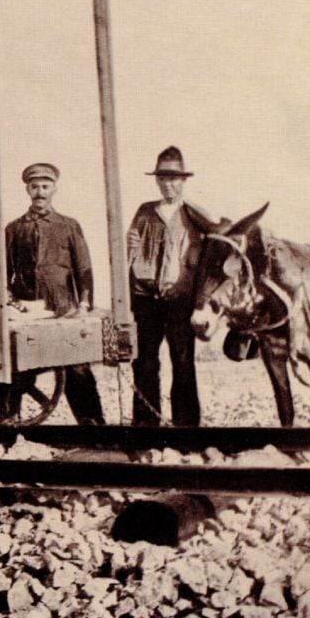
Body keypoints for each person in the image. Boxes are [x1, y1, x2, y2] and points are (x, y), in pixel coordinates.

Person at [5, 163, 105, 426]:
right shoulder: (14, 229)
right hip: (27, 310)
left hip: (65, 308)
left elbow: (84, 268)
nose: (40, 192)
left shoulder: (69, 226)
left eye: (45, 187)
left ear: (54, 189)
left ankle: (92, 424)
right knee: (18, 366)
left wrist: (84, 303)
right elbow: (3, 272)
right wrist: (9, 303)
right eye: (35, 186)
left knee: (77, 367)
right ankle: (9, 422)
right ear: (27, 189)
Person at [126, 146, 210, 426]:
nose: (168, 184)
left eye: (173, 179)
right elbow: (130, 248)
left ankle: (186, 428)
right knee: (145, 362)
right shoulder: (145, 211)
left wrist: (194, 294)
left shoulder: (195, 214)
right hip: (146, 298)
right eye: (162, 178)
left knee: (183, 362)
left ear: (183, 181)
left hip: (179, 299)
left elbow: (207, 259)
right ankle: (146, 425)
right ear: (157, 181)